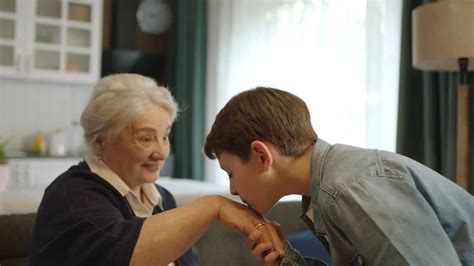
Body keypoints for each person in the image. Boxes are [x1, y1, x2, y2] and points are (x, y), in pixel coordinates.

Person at [30, 74, 284, 266]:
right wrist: (213, 206)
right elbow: (125, 253)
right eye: (146, 138)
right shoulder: (72, 196)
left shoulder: (161, 198)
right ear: (101, 141)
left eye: (165, 137)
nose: (162, 152)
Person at [204, 87, 474, 266]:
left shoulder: (347, 188)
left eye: (231, 174)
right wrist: (286, 259)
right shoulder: (322, 193)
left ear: (262, 156)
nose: (233, 190)